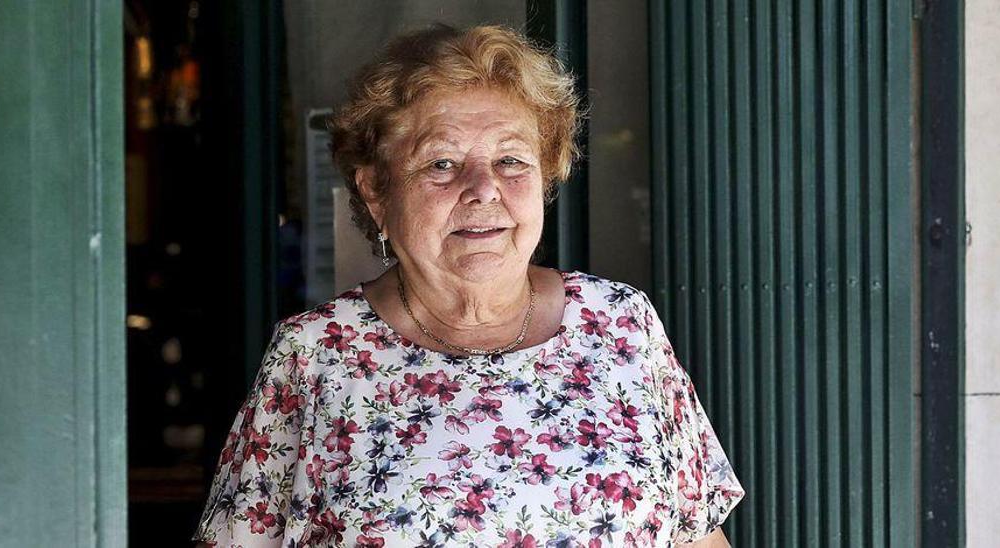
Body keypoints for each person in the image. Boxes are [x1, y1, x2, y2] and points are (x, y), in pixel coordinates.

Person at [193, 24, 743, 547]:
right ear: (376, 191)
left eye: (510, 159)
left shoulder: (620, 323)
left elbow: (694, 535)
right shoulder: (315, 356)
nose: (484, 189)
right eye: (442, 162)